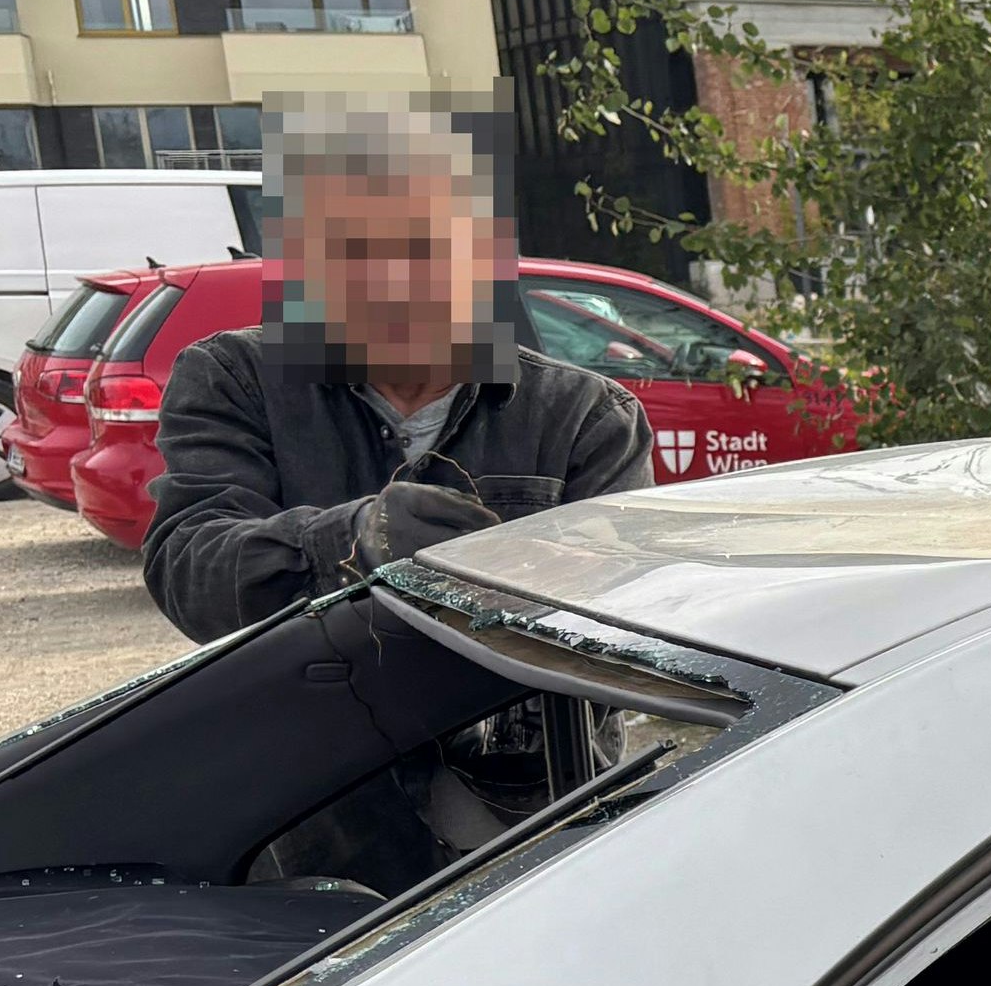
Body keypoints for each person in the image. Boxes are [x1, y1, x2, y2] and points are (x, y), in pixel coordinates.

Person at [141, 102, 651, 643]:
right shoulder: (237, 380)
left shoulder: (585, 416)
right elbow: (189, 571)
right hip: (313, 720)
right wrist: (351, 538)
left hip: (525, 727)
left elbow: (628, 624)